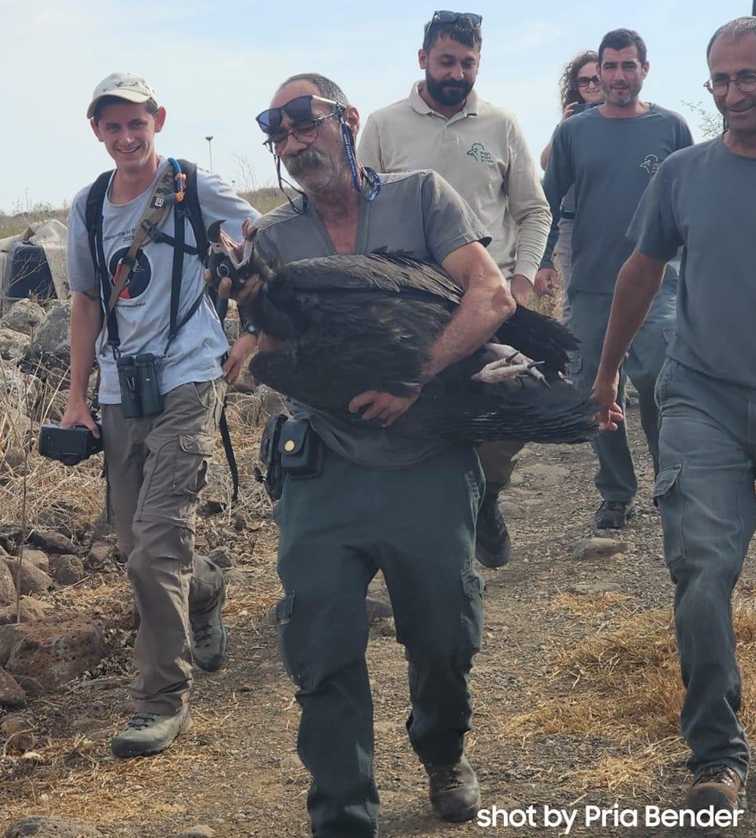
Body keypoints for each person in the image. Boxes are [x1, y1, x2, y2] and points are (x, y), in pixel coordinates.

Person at [223, 72, 514, 836]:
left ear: (346, 121)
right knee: (319, 639)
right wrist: (252, 308)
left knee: (445, 635)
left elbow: (492, 297)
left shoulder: (421, 198)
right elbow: (276, 347)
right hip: (324, 461)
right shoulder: (275, 237)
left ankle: (442, 750)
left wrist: (416, 377)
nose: (293, 143)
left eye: (304, 124)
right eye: (278, 135)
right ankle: (343, 812)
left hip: (427, 455)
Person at [592, 16, 756, 813]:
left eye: (746, 78)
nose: (730, 94)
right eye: (719, 80)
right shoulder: (683, 173)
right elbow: (638, 275)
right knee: (701, 571)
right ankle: (714, 753)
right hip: (702, 396)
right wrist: (609, 372)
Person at [62, 71, 259, 759]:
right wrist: (77, 396)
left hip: (190, 377)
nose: (125, 137)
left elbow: (265, 243)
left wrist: (255, 331)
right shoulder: (88, 206)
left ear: (158, 119)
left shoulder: (191, 186)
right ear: (97, 131)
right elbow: (86, 303)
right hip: (120, 390)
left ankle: (160, 699)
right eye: (111, 126)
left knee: (154, 545)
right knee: (136, 547)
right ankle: (203, 591)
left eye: (135, 123)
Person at [359, 11, 551, 568]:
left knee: (512, 408)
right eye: (446, 61)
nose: (457, 73)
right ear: (422, 59)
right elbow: (359, 213)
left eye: (468, 63)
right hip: (409, 308)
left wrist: (518, 280)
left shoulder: (502, 125)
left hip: (492, 304)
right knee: (415, 417)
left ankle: (487, 494)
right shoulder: (382, 126)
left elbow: (532, 210)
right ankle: (424, 552)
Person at [534, 28, 693, 530]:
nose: (619, 76)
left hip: (659, 281)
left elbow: (693, 203)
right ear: (598, 73)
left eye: (629, 66)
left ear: (644, 70)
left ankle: (672, 483)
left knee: (655, 378)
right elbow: (549, 200)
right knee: (593, 389)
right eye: (610, 67)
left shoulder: (671, 127)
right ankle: (616, 492)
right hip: (591, 280)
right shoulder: (574, 132)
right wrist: (541, 261)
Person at [538, 50, 603, 323]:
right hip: (572, 222)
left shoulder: (625, 120)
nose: (590, 86)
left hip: (616, 222)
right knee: (575, 298)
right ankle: (573, 361)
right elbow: (546, 164)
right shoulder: (570, 124)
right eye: (583, 81)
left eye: (596, 80)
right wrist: (563, 127)